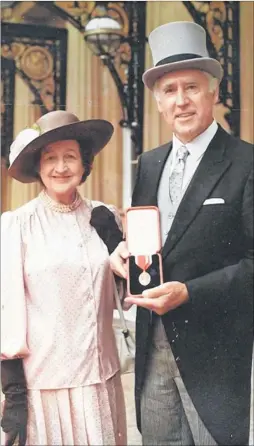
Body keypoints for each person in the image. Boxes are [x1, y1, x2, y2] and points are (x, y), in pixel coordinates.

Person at [110, 21, 253, 446]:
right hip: (152, 352)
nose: (181, 100)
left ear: (212, 91)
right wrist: (123, 253)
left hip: (215, 359)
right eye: (169, 91)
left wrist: (189, 292)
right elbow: (151, 242)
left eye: (190, 87)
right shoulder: (149, 164)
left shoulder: (245, 163)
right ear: (158, 103)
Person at [1, 110, 127, 446]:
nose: (61, 167)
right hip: (45, 387)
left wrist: (122, 253)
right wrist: (14, 397)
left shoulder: (104, 216)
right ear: (38, 167)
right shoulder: (18, 226)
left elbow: (124, 292)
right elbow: (7, 312)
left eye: (70, 157)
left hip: (100, 382)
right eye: (50, 158)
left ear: (85, 164)